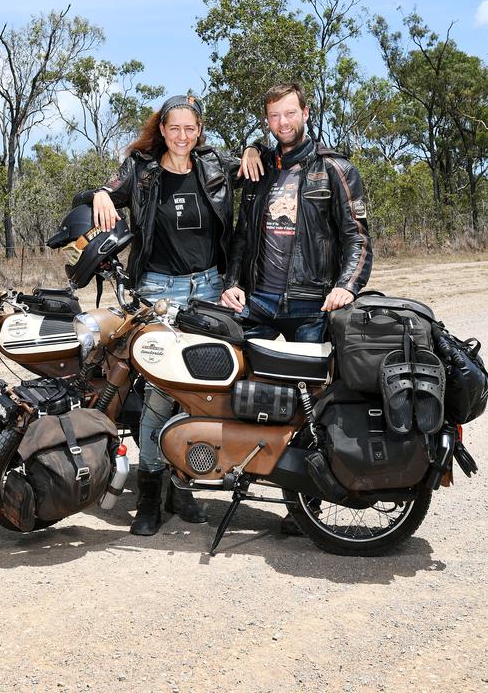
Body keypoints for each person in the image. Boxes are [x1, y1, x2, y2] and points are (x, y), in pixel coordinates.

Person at [74, 94, 262, 536]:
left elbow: (262, 159)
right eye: (174, 128)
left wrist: (254, 148)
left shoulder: (214, 166)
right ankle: (150, 499)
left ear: (199, 132)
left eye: (190, 129)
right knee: (160, 395)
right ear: (162, 129)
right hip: (158, 291)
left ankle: (184, 488)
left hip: (210, 291)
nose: (182, 136)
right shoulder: (141, 169)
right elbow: (98, 191)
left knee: (199, 395)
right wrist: (101, 193)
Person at [221, 81, 373, 342]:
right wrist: (232, 283)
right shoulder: (259, 169)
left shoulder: (336, 169)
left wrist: (347, 286)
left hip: (312, 303)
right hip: (257, 299)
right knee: (233, 372)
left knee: (310, 380)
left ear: (305, 113)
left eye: (290, 113)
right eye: (274, 116)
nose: (283, 122)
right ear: (267, 120)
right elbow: (242, 236)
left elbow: (357, 237)